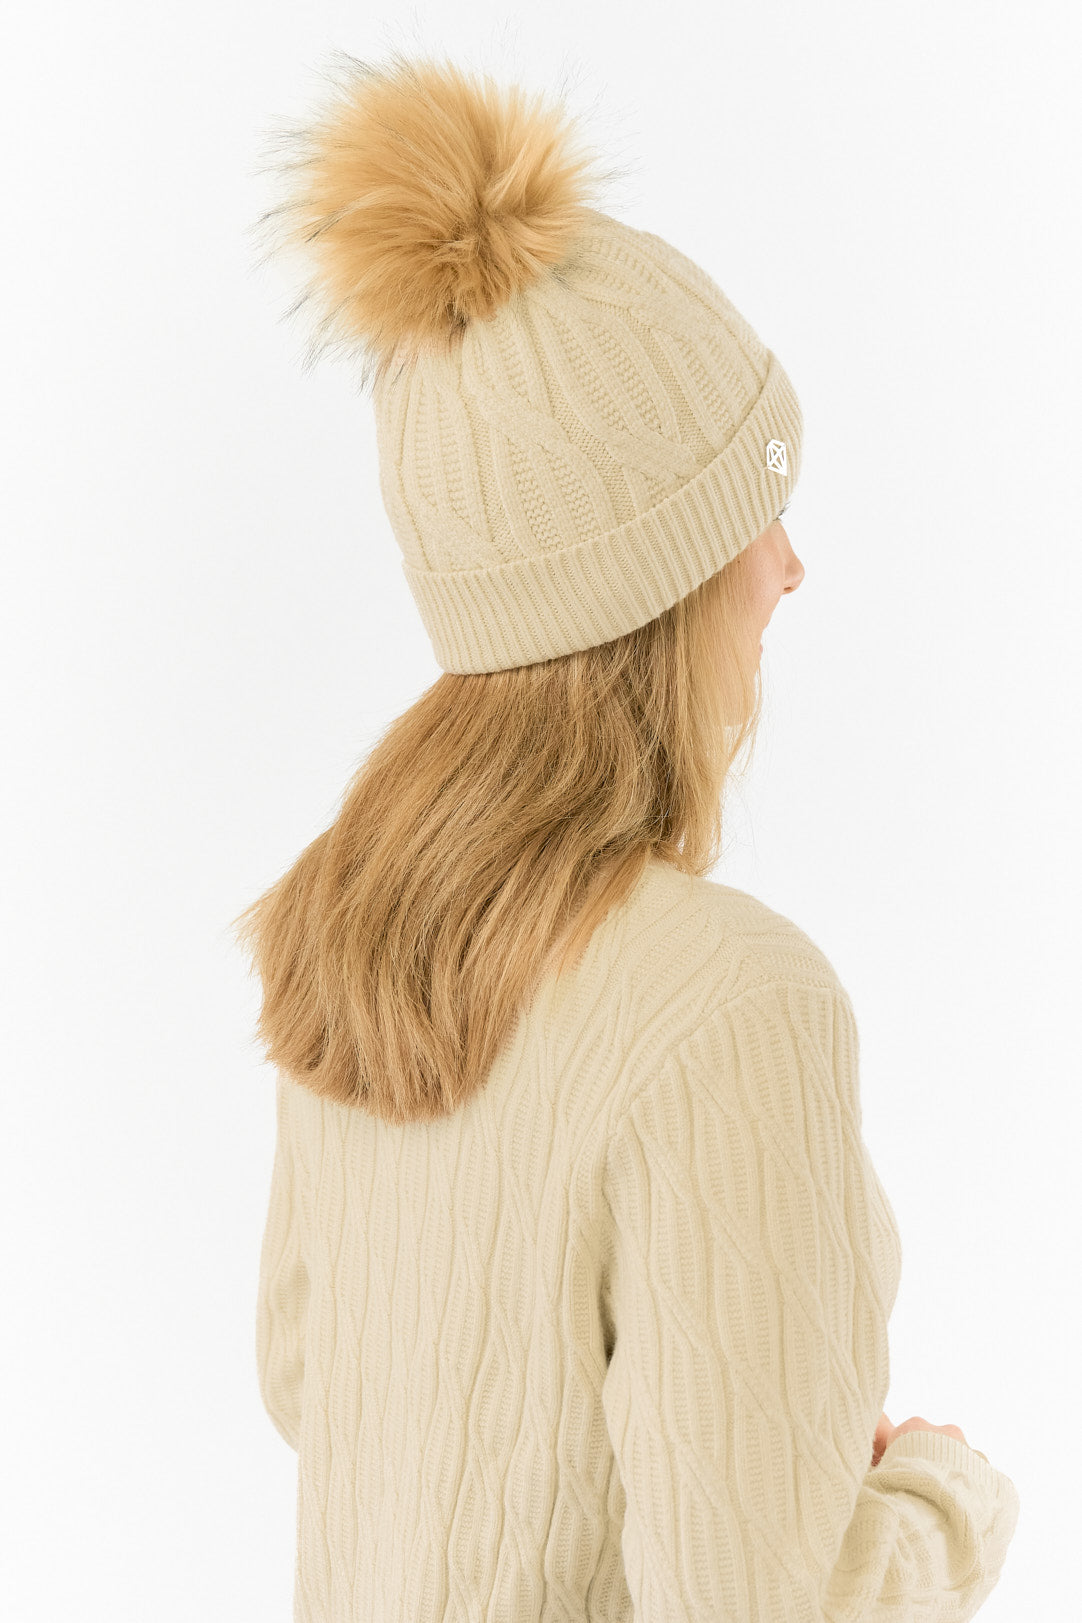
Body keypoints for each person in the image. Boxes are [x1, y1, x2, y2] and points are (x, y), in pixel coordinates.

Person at [234, 47, 1021, 1622]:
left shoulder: (358, 938)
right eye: (753, 515)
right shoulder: (732, 1004)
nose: (787, 566)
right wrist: (944, 1501)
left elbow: (307, 1376)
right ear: (653, 583)